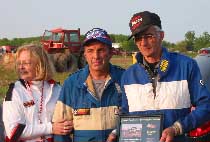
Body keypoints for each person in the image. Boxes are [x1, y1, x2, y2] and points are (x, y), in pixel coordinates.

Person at [121, 11, 210, 142]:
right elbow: (125, 114)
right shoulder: (127, 76)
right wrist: (117, 131)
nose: (143, 43)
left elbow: (206, 106)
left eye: (149, 36)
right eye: (138, 38)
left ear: (161, 35)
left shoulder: (187, 66)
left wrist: (177, 128)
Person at [52, 28, 125, 142]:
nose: (96, 56)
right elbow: (61, 130)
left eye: (101, 50)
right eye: (90, 50)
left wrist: (117, 132)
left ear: (111, 53)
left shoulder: (124, 79)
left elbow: (136, 118)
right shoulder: (71, 83)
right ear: (85, 54)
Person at [3, 44, 72, 142]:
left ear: (41, 64)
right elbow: (14, 132)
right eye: (19, 63)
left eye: (26, 63)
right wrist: (51, 128)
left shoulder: (57, 89)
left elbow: (68, 121)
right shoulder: (15, 92)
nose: (21, 67)